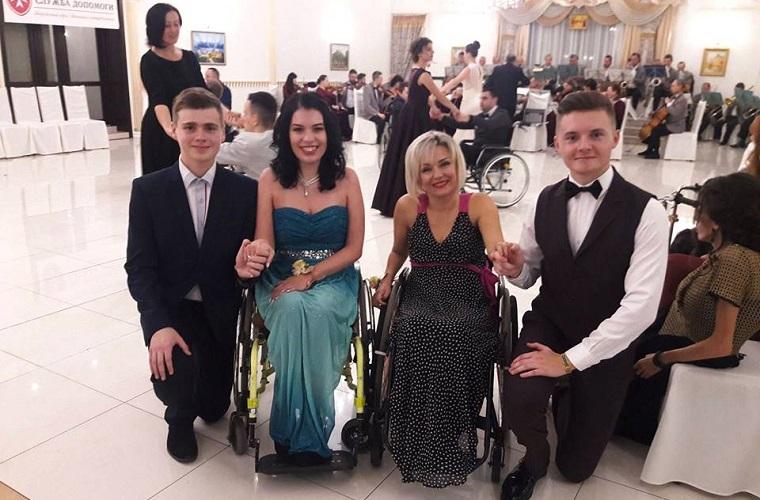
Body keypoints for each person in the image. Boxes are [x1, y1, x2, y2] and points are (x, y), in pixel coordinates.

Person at [497, 91, 669, 500]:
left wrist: (568, 361)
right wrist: (517, 268)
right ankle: (534, 459)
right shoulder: (543, 200)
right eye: (572, 137)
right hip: (551, 322)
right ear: (557, 143)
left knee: (576, 469)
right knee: (519, 395)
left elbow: (641, 308)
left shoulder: (647, 211)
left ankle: (568, 392)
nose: (584, 146)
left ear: (614, 138)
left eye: (596, 134)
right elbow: (530, 274)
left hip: (608, 340)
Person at [125, 87, 268, 464]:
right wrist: (157, 324)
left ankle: (201, 394)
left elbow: (250, 262)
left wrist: (245, 274)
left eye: (210, 127)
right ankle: (177, 417)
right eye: (190, 127)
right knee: (178, 379)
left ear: (224, 132)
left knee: (215, 407)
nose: (200, 136)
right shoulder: (148, 190)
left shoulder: (245, 192)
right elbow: (139, 267)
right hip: (173, 309)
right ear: (174, 129)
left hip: (220, 308)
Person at [372, 131, 511, 487]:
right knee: (412, 327)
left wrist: (503, 255)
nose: (437, 175)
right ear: (416, 175)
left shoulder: (478, 204)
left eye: (444, 164)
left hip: (468, 296)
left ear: (457, 164)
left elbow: (495, 245)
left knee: (455, 332)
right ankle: (418, 428)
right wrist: (387, 278)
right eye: (426, 169)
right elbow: (398, 251)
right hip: (422, 291)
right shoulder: (407, 207)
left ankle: (446, 430)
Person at [250, 92, 364, 465]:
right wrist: (257, 250)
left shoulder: (347, 180)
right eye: (298, 129)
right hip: (281, 276)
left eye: (317, 129)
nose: (308, 138)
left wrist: (312, 275)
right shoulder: (270, 179)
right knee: (291, 306)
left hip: (333, 276)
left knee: (314, 309)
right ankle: (290, 428)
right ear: (286, 133)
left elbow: (354, 248)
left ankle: (308, 433)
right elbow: (265, 238)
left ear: (329, 132)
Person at [616, 173, 760, 445]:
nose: (695, 219)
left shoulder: (734, 261)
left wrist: (660, 360)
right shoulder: (732, 256)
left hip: (697, 348)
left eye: (700, 210)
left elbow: (721, 344)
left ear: (716, 220)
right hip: (684, 336)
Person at [371, 37, 460, 217]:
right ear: (420, 52)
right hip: (417, 118)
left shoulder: (414, 72)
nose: (432, 52)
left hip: (411, 116)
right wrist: (453, 108)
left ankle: (401, 198)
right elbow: (438, 95)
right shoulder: (423, 75)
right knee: (420, 156)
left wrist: (432, 105)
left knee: (407, 155)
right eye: (428, 50)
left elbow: (425, 97)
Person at [139, 3, 205, 175]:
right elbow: (158, 99)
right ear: (155, 28)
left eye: (176, 24)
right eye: (167, 25)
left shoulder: (189, 57)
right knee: (163, 178)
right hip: (162, 129)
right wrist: (170, 128)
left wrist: (226, 114)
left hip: (189, 125)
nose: (173, 29)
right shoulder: (149, 60)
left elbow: (204, 93)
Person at [431, 86, 512, 167]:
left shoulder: (502, 114)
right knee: (453, 148)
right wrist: (441, 117)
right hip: (479, 150)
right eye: (481, 99)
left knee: (459, 150)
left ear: (494, 100)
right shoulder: (482, 116)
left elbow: (489, 124)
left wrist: (470, 118)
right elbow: (462, 124)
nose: (481, 102)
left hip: (491, 152)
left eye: (485, 98)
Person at [216, 91, 277, 179]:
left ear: (255, 119)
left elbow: (211, 152)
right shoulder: (277, 135)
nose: (242, 117)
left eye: (245, 113)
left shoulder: (248, 144)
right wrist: (241, 127)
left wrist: (220, 124)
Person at [640, 79, 688, 159]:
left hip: (676, 126)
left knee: (656, 130)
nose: (671, 88)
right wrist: (655, 113)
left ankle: (655, 153)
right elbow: (665, 111)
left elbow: (675, 112)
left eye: (673, 86)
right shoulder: (673, 97)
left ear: (679, 87)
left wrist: (668, 104)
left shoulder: (683, 99)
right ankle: (649, 149)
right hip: (670, 123)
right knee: (653, 128)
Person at [441, 41, 483, 116]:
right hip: (478, 101)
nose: (464, 56)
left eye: (464, 53)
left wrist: (440, 90)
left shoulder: (469, 68)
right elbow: (473, 86)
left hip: (469, 102)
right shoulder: (479, 67)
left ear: (468, 54)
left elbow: (454, 82)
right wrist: (461, 90)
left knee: (465, 121)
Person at [316, 74, 352, 140]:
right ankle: (342, 134)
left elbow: (333, 99)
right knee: (341, 115)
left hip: (331, 108)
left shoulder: (326, 90)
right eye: (327, 81)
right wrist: (333, 106)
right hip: (326, 110)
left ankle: (346, 134)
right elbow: (324, 102)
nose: (328, 82)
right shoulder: (319, 91)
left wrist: (338, 95)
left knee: (345, 112)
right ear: (322, 81)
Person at [359, 71, 386, 144]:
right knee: (381, 121)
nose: (382, 80)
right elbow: (367, 106)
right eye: (381, 78)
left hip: (377, 111)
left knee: (388, 116)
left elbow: (380, 104)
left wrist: (382, 94)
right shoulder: (367, 88)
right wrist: (378, 114)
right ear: (376, 79)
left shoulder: (378, 89)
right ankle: (378, 140)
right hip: (369, 114)